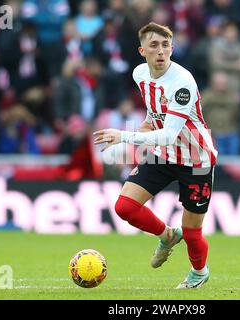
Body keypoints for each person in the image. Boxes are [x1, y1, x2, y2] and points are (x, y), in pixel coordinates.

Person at [93, 22, 218, 289]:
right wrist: (148, 122)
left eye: (165, 45)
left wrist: (124, 135)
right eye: (154, 45)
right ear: (142, 51)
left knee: (194, 233)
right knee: (124, 207)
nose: (160, 51)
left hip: (196, 159)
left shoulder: (182, 82)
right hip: (164, 154)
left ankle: (199, 272)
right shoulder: (140, 74)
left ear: (172, 49)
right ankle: (168, 235)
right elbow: (155, 110)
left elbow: (168, 134)